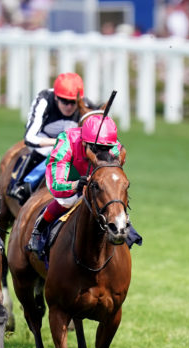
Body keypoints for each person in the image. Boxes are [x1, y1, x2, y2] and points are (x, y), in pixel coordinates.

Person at [27, 113, 141, 253]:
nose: (101, 152)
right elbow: (56, 185)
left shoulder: (114, 147)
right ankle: (39, 230)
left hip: (97, 180)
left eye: (105, 148)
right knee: (67, 202)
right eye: (96, 148)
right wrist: (74, 185)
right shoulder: (67, 140)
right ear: (84, 142)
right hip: (71, 174)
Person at [8, 72, 98, 204]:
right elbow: (29, 137)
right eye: (64, 101)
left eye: (73, 102)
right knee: (46, 151)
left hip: (73, 145)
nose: (69, 106)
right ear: (56, 97)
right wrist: (60, 143)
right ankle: (20, 185)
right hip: (46, 140)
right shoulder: (44, 99)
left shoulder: (87, 106)